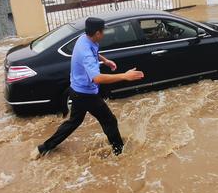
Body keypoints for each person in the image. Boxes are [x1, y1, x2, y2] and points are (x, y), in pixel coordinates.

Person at [36, 17, 144, 157]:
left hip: (76, 90)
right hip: (86, 94)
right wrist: (124, 76)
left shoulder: (84, 38)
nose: (104, 34)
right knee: (109, 120)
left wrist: (105, 61)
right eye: (103, 31)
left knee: (74, 122)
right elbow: (97, 78)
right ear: (97, 33)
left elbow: (94, 52)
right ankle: (119, 153)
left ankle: (43, 148)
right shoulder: (85, 52)